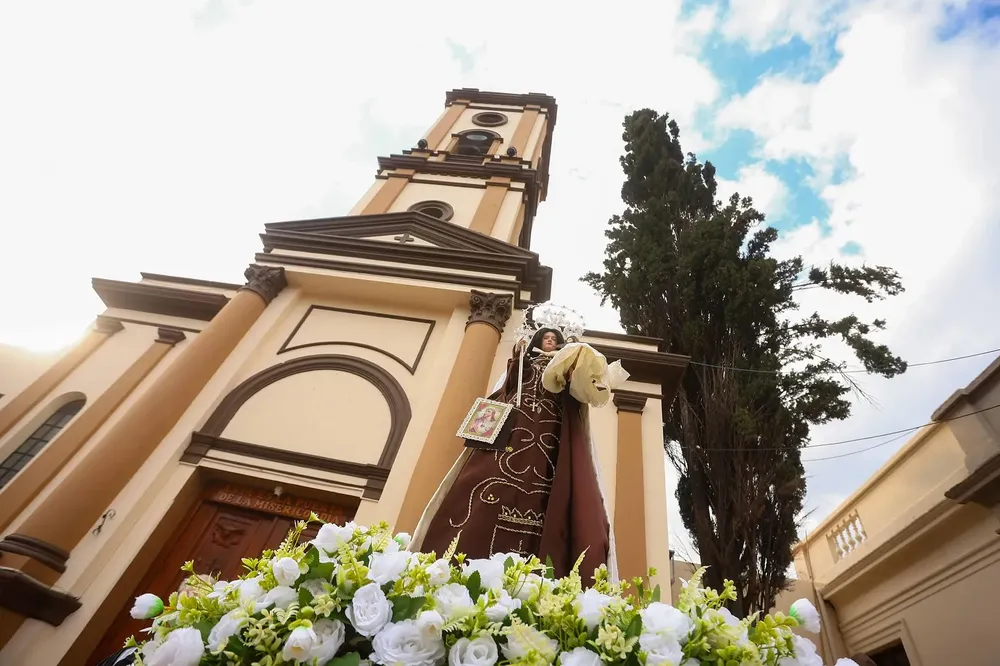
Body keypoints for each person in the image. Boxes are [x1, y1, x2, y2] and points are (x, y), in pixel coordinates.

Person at [411, 326, 619, 584]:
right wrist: (519, 353)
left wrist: (575, 360)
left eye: (554, 339)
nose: (549, 341)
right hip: (517, 426)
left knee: (548, 474)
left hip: (551, 430)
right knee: (488, 473)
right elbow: (511, 381)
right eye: (546, 338)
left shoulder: (563, 369)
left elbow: (578, 392)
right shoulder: (527, 363)